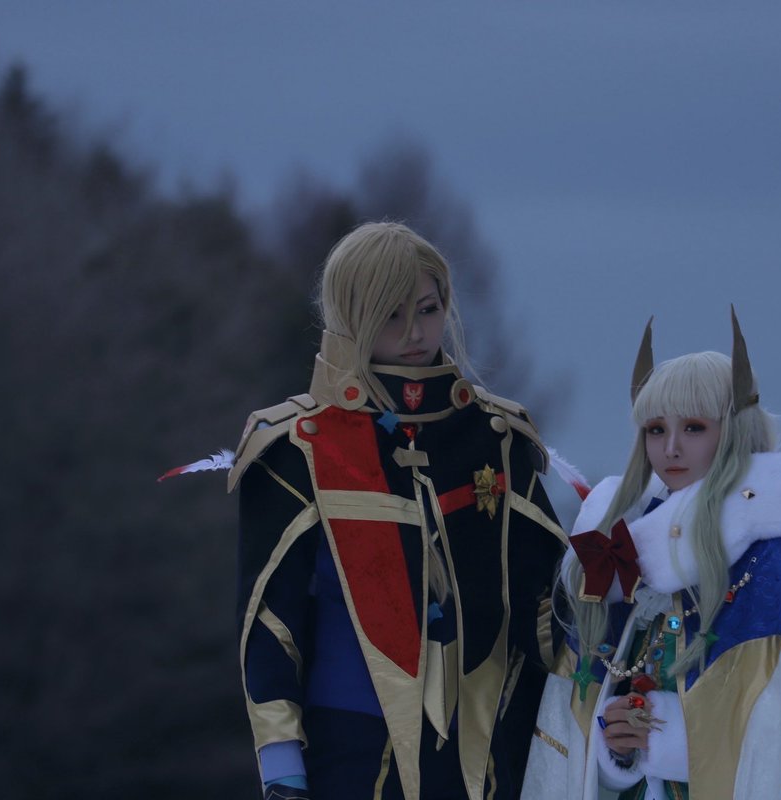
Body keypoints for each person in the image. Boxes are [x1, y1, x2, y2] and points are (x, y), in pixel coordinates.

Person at [229, 221, 566, 800]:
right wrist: (282, 771)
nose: (415, 332)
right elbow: (270, 622)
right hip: (349, 753)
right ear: (351, 316)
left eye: (428, 310)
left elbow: (547, 609)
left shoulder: (494, 436)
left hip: (486, 755)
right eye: (390, 315)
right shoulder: (297, 445)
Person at [522, 310, 781, 800]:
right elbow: (580, 731)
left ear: (733, 430)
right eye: (655, 429)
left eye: (693, 427)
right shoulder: (631, 553)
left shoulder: (774, 559)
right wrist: (617, 750)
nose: (670, 448)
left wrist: (669, 738)